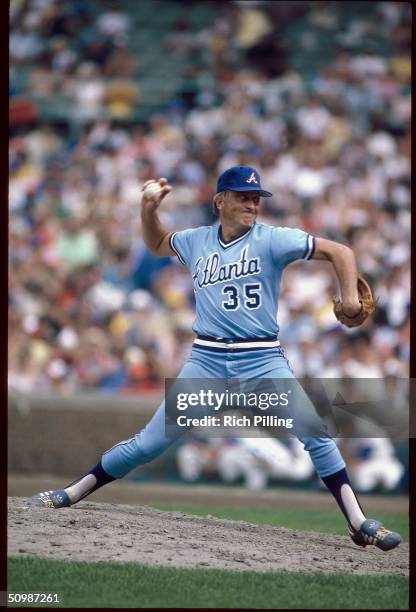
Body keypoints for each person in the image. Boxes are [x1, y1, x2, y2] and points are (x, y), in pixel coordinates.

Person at [30, 166, 401, 551]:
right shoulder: (195, 241)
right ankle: (73, 492)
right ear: (219, 201)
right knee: (148, 445)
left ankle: (358, 522)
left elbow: (339, 251)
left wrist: (349, 294)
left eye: (256, 197)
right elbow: (157, 244)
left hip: (261, 361)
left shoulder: (273, 239)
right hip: (206, 362)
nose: (252, 203)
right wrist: (148, 210)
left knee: (316, 437)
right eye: (242, 196)